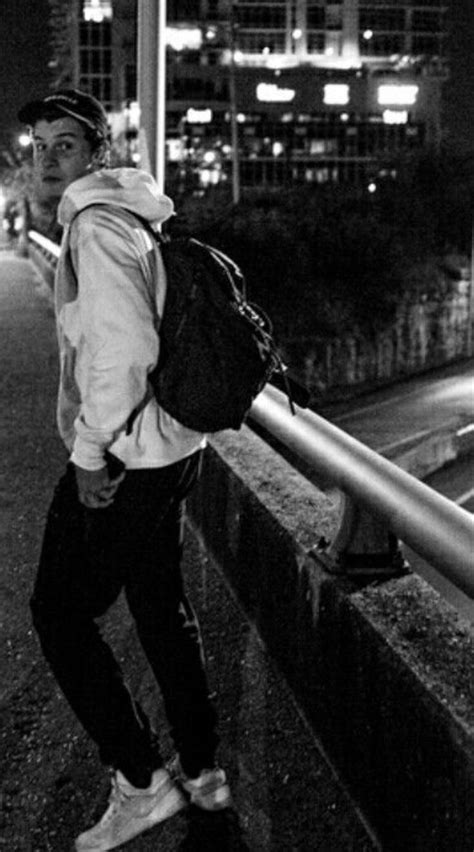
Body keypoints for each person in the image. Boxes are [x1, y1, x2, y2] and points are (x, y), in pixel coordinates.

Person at [19, 89, 231, 852]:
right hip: (170, 447)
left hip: (125, 454)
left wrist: (86, 457)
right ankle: (203, 770)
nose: (46, 158)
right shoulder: (132, 213)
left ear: (97, 153)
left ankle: (140, 781)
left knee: (59, 613)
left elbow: (124, 353)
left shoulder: (96, 226)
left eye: (64, 145)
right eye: (38, 144)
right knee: (156, 601)